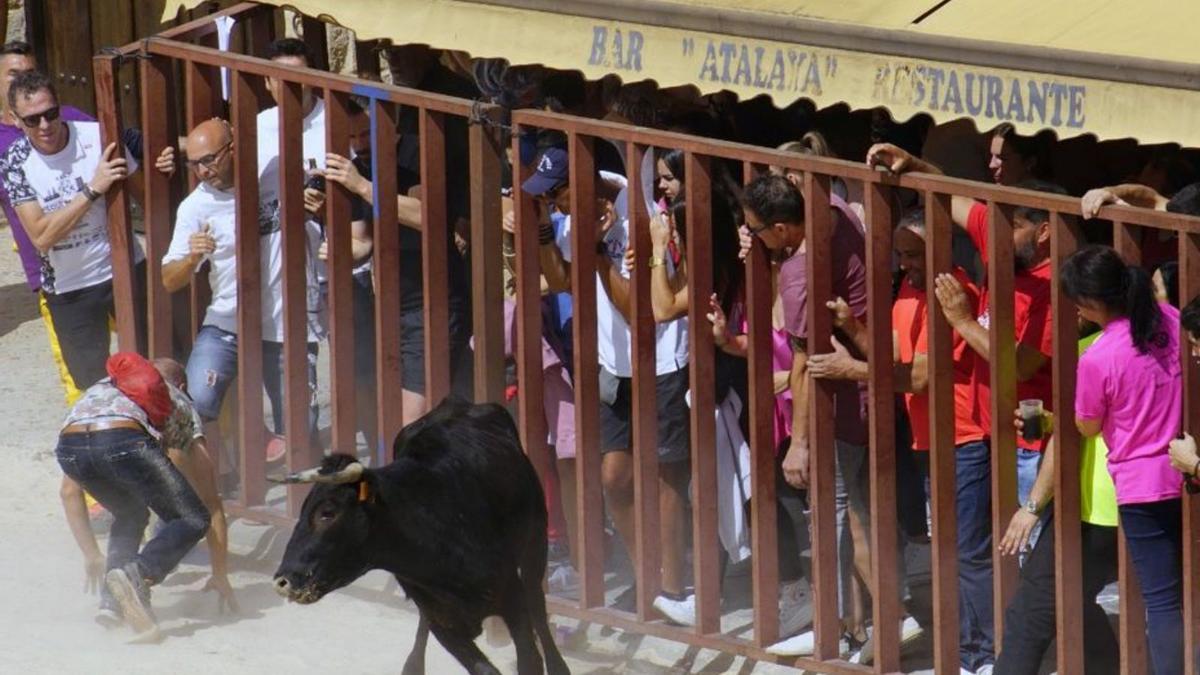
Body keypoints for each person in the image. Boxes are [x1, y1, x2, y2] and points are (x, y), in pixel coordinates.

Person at [525, 145, 694, 620]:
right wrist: (541, 229)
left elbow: (637, 309)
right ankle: (649, 582)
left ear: (577, 183)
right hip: (613, 365)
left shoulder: (635, 209)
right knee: (614, 478)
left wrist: (599, 252)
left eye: (553, 195)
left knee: (665, 479)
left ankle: (674, 590)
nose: (555, 205)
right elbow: (561, 280)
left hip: (661, 359)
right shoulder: (580, 214)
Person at [805, 207, 979, 663]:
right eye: (901, 254)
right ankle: (960, 644)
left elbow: (919, 375)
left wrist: (851, 369)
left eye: (915, 254)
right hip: (927, 438)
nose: (906, 264)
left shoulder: (952, 292)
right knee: (948, 546)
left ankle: (977, 651)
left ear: (941, 249)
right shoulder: (908, 289)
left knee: (966, 552)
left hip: (963, 437)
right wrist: (853, 326)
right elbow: (896, 356)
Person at [867, 143, 1060, 525]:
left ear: (1044, 232)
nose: (1000, 234)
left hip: (1030, 446)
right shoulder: (1000, 239)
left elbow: (1021, 364)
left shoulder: (1053, 286)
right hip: (988, 434)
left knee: (1019, 547)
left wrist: (964, 322)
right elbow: (950, 194)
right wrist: (915, 164)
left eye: (1015, 226)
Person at [736, 174, 877, 657]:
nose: (752, 238)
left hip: (840, 400)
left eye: (756, 230)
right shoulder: (835, 212)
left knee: (839, 516)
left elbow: (802, 363)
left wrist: (798, 443)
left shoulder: (799, 273)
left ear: (780, 228)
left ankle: (862, 626)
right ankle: (857, 628)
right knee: (852, 510)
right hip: (867, 388)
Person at [160, 117, 323, 466]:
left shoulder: (275, 170)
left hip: (286, 320)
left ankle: (302, 494)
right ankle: (210, 490)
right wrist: (192, 257)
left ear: (233, 149)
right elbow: (169, 279)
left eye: (209, 160)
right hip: (227, 321)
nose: (202, 172)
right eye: (194, 164)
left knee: (300, 426)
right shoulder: (194, 206)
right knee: (194, 407)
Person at [1062, 245, 1183, 675]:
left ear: (1089, 303)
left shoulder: (1098, 356)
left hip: (1142, 488)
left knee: (1164, 602)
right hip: (1188, 470)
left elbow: (1088, 425)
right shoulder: (1171, 319)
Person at [0, 70, 154, 390]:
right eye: (32, 120)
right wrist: (92, 189)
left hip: (124, 271)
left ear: (60, 107)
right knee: (92, 389)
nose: (44, 126)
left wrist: (162, 165)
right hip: (69, 287)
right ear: (15, 120)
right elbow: (41, 236)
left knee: (152, 372)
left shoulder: (97, 136)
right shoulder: (15, 162)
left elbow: (147, 198)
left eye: (50, 114)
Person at [55, 353, 225, 640]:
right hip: (122, 440)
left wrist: (92, 554)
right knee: (193, 517)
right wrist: (221, 573)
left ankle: (112, 602)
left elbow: (68, 492)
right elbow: (209, 498)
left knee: (130, 513)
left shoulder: (99, 392)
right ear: (180, 385)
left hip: (69, 448)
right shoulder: (176, 398)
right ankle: (139, 574)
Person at [992, 319, 1120, 675]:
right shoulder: (1167, 345)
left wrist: (1032, 507)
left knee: (1031, 610)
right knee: (1073, 599)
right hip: (1144, 497)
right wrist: (1053, 421)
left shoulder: (1091, 352)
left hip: (1096, 505)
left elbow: (1073, 434)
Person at [0, 42, 92, 405]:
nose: (21, 80)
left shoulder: (66, 117)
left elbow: (125, 145)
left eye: (28, 73)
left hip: (107, 262)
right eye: (12, 73)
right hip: (53, 276)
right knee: (81, 382)